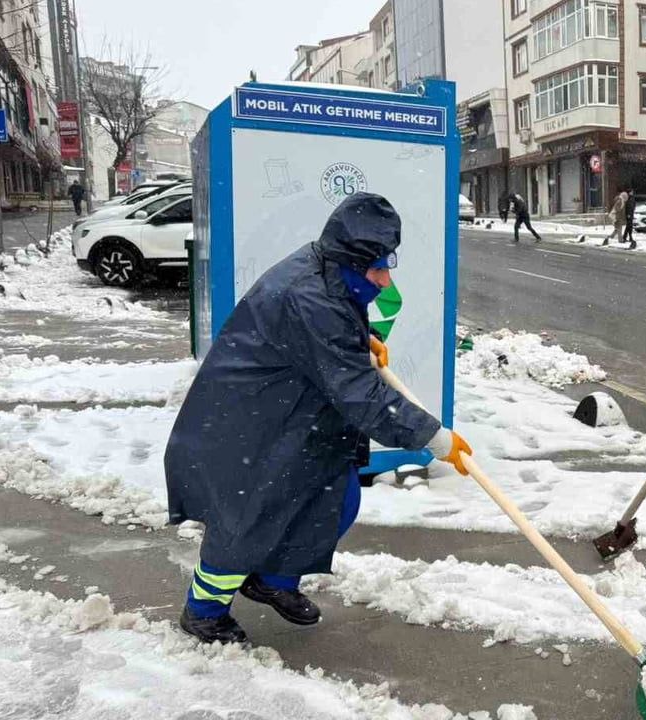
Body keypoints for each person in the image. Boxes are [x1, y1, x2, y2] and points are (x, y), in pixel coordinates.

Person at [165, 192, 472, 644]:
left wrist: (358, 335)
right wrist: (432, 436)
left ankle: (274, 579)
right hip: (255, 419)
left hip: (297, 409)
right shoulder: (310, 297)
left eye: (388, 266)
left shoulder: (329, 270)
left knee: (335, 497)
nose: (385, 282)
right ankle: (204, 610)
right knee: (246, 520)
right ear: (351, 262)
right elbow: (359, 394)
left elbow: (331, 325)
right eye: (378, 270)